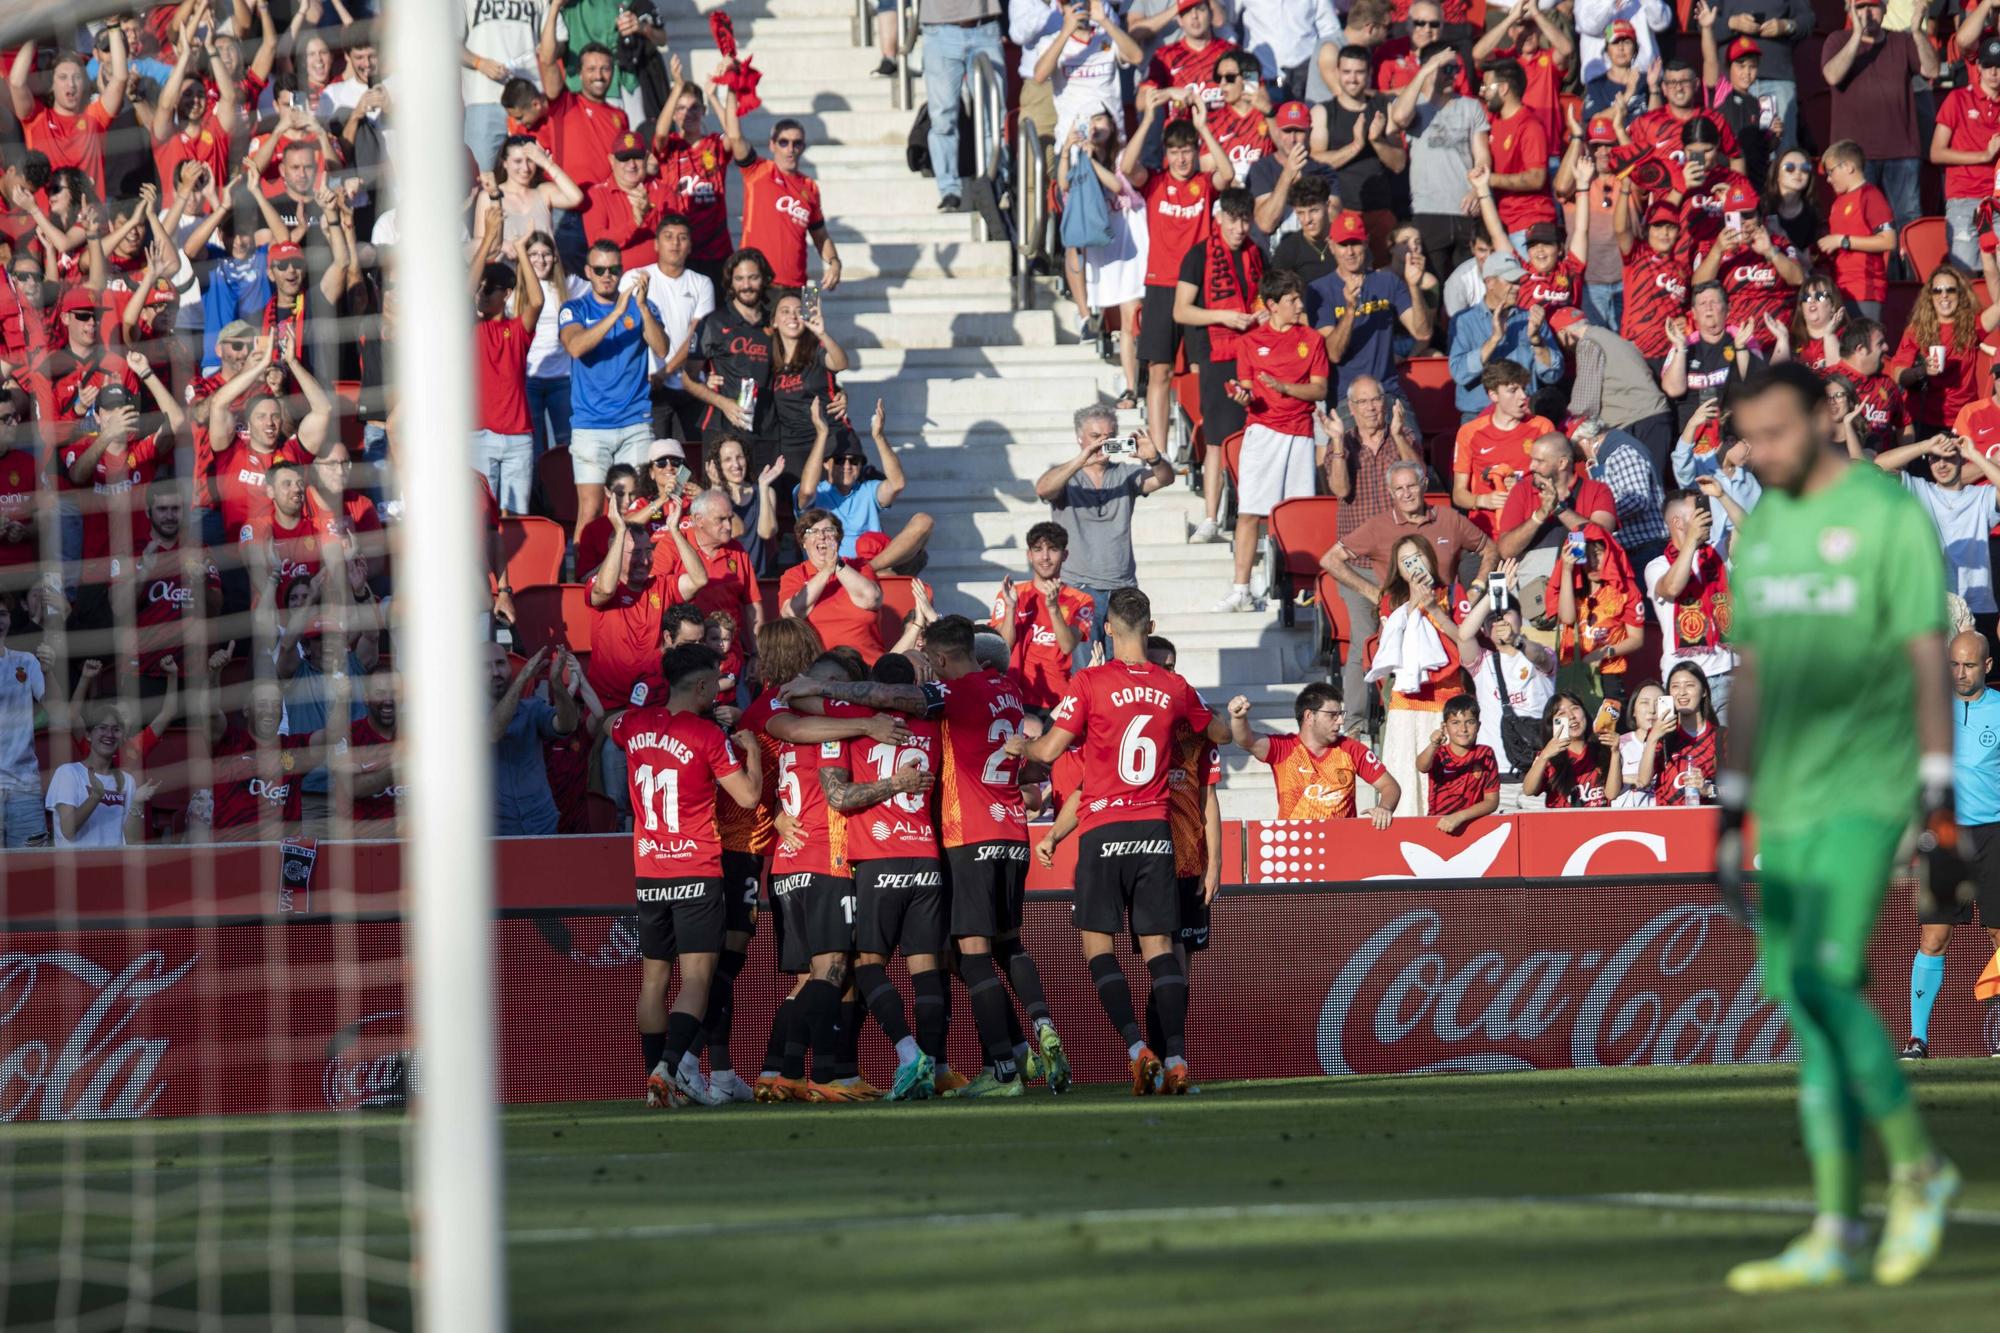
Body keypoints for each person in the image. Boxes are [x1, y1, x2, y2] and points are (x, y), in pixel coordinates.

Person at [1717, 362, 1961, 1290]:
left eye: (1779, 432)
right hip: (1789, 796)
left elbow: (1927, 658)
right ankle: (1838, 1227)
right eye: (1752, 437)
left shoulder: (1890, 514)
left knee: (1821, 981)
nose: (1765, 452)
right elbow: (1751, 676)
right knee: (1808, 1008)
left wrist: (1937, 799)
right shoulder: (1765, 527)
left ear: (1823, 418)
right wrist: (1733, 807)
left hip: (1871, 786)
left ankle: (1921, 1167)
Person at [792, 614, 1073, 1097]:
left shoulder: (940, 701)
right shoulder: (1002, 687)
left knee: (963, 955)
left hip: (946, 843)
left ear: (942, 659)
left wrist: (825, 688)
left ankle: (995, 1068)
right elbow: (1030, 763)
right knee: (999, 946)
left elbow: (877, 712)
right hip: (994, 839)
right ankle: (1034, 1033)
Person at [1010, 586, 1230, 1095]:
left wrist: (1023, 744)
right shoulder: (1174, 686)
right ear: (1149, 628)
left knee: (1098, 947)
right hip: (1155, 830)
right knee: (1161, 951)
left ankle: (1136, 1048)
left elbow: (1048, 749)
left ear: (1107, 629)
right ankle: (1176, 1059)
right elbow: (1216, 734)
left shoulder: (1089, 681)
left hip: (1104, 827)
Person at [609, 642, 760, 1108]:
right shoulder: (707, 736)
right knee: (697, 978)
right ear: (699, 686)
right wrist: (751, 751)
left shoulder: (632, 726)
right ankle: (668, 1069)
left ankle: (655, 1081)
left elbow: (608, 724)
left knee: (653, 980)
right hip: (696, 867)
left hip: (650, 869)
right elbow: (750, 797)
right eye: (715, 682)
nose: (719, 689)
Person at [1324, 458, 1495, 737]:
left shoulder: (1448, 518)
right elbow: (1331, 559)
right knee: (1404, 707)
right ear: (1390, 493)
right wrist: (1373, 592)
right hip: (1403, 629)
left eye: (1411, 486)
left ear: (1424, 485)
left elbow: (1490, 549)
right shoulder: (1379, 526)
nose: (1405, 493)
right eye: (1398, 489)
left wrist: (1476, 585)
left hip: (1447, 626)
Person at [1904, 629, 2000, 1059]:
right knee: (1934, 938)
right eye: (1954, 665)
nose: (1960, 674)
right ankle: (1917, 1039)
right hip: (1943, 834)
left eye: (1969, 665)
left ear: (1988, 666)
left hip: (1994, 834)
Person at [1120, 90, 1234, 450]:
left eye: (1188, 150)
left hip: (1199, 288)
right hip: (1161, 286)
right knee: (1159, 370)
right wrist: (1149, 119)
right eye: (1175, 151)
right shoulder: (1155, 184)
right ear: (1166, 154)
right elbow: (1125, 168)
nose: (1182, 158)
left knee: (1202, 369)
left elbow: (1227, 173)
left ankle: (1201, 442)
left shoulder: (1203, 186)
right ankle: (1157, 447)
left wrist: (1204, 127)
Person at [1218, 269, 1330, 612]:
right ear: (1272, 305)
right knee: (1250, 511)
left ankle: (1299, 589)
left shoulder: (1311, 339)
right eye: (1292, 300)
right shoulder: (1249, 342)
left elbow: (1320, 388)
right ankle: (1242, 590)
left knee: (1296, 516)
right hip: (1262, 432)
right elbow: (1248, 391)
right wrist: (1242, 397)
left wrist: (1285, 388)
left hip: (1299, 435)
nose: (1299, 305)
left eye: (1299, 298)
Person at [1034, 407, 1175, 664]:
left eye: (1109, 436)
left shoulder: (1124, 473)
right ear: (1080, 438)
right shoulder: (1067, 475)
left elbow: (1165, 479)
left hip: (1123, 588)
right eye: (1095, 436)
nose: (1102, 442)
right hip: (1079, 586)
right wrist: (1082, 460)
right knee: (1085, 671)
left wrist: (1155, 459)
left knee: (1126, 668)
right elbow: (1043, 488)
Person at [560, 241, 668, 542]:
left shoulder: (641, 306)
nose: (607, 275)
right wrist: (616, 312)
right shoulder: (575, 308)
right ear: (587, 272)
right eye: (599, 270)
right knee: (592, 510)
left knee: (636, 508)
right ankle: (584, 582)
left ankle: (634, 575)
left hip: (635, 421)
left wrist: (642, 307)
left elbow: (662, 348)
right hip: (591, 425)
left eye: (614, 269)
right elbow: (575, 346)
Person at [1173, 186, 1264, 543]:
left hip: (1255, 354)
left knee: (1255, 440)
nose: (1240, 228)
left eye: (1245, 220)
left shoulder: (1257, 254)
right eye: (1233, 219)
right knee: (1216, 440)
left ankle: (1252, 516)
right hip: (1217, 355)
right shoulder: (1198, 255)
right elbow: (1181, 310)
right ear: (1219, 218)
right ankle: (1210, 517)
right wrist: (1225, 316)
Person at [1367, 534, 1469, 812]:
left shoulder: (1452, 593)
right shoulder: (1391, 602)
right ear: (1397, 569)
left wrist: (1434, 606)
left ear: (1430, 559)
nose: (1413, 565)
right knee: (1405, 773)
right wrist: (1413, 601)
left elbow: (1464, 639)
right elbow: (1391, 648)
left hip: (1447, 696)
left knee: (1446, 776)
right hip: (1407, 701)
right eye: (1405, 561)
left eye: (1418, 557)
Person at [1823, 0, 1933, 252]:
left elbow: (1931, 69)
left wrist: (1917, 32)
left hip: (1901, 152)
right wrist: (1856, 36)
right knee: (1857, 224)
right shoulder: (1837, 40)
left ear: (1885, 9)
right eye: (1860, 7)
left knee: (1907, 223)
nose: (1867, 13)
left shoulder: (1902, 41)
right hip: (1853, 158)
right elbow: (1832, 75)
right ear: (1850, 11)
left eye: (1872, 7)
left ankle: (1910, 288)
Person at [587, 491, 710, 712]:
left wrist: (674, 531)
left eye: (648, 551)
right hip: (610, 707)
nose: (644, 561)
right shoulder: (601, 584)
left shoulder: (660, 585)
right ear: (616, 553)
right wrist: (620, 530)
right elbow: (604, 590)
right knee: (609, 749)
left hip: (654, 703)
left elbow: (699, 579)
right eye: (635, 552)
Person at [1869, 436, 2000, 638]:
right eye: (1934, 458)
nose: (1941, 464)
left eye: (1948, 457)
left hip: (1978, 604)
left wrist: (1976, 455)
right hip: (1933, 604)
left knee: (1981, 669)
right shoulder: (1918, 488)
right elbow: (1878, 466)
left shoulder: (1981, 496)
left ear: (1962, 459)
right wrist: (1926, 445)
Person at [1230, 679, 1399, 824]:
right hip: (1296, 846)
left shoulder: (1351, 748)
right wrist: (1238, 718)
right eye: (1332, 715)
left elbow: (1390, 786)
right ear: (1309, 716)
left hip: (1345, 845)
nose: (1340, 721)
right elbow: (1246, 740)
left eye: (1341, 714)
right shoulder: (1284, 748)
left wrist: (1384, 808)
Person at [1389, 44, 1488, 290]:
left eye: (1454, 68)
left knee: (1469, 288)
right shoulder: (1415, 107)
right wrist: (1425, 72)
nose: (1450, 74)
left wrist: (1478, 190)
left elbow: (1483, 156)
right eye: (1443, 68)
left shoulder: (1471, 106)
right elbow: (1399, 117)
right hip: (1428, 211)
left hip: (1466, 209)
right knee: (1431, 285)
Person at [794, 398, 932, 574]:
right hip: (831, 571)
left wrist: (879, 436)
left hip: (873, 569)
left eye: (854, 461)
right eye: (839, 460)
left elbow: (897, 484)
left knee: (924, 521)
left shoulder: (867, 490)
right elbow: (806, 491)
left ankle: (867, 571)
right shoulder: (818, 493)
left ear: (861, 466)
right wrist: (822, 433)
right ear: (826, 463)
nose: (847, 466)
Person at [1309, 211, 1433, 405]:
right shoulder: (1319, 290)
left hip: (1388, 392)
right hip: (1346, 397)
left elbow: (1422, 333)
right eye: (1343, 244)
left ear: (1366, 242)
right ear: (1331, 245)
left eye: (1355, 243)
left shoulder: (1388, 282)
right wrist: (1350, 309)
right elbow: (1333, 354)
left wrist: (1414, 287)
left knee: (1410, 436)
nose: (1349, 252)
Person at [651, 57, 751, 286]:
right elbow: (659, 134)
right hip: (680, 250)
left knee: (717, 315)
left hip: (716, 251)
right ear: (674, 113)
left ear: (704, 110)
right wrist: (676, 87)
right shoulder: (671, 147)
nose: (688, 113)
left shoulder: (715, 144)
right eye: (681, 108)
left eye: (695, 107)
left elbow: (735, 136)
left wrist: (715, 96)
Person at [470, 233, 544, 517]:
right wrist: (488, 240)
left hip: (518, 438)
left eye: (489, 290)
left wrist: (522, 251)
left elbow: (537, 301)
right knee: (479, 515)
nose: (481, 294)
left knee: (516, 516)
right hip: (477, 435)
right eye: (480, 288)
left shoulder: (516, 329)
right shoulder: (470, 325)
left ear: (508, 293)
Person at [1646, 489, 1736, 719]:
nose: (1706, 517)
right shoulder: (1657, 565)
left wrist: (1723, 495)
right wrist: (1691, 542)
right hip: (1685, 679)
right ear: (1677, 522)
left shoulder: (1718, 551)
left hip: (1728, 671)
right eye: (1698, 513)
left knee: (1734, 752)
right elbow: (1672, 587)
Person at [628, 213, 716, 446]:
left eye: (682, 237)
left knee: (689, 456)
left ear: (690, 246)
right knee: (655, 456)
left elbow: (695, 337)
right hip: (648, 386)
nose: (675, 243)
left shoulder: (701, 283)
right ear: (656, 244)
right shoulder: (636, 278)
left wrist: (665, 372)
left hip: (690, 383)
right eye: (668, 237)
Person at [1494, 432, 1619, 596]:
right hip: (1533, 600)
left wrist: (1559, 509)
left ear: (1562, 463)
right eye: (1532, 459)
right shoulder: (1522, 490)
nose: (1531, 466)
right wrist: (1539, 515)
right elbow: (1505, 550)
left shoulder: (1596, 490)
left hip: (1583, 595)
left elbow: (1602, 536)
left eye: (1539, 461)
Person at [1308, 45, 1406, 252]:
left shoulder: (1383, 107)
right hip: (1340, 211)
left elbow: (1399, 163)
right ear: (1337, 73)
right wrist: (1356, 146)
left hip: (1379, 210)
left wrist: (1377, 141)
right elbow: (1315, 162)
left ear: (1370, 73)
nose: (1352, 79)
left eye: (1359, 72)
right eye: (1346, 72)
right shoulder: (1323, 112)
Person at [7, 33, 126, 200]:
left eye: (77, 77)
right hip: (47, 221)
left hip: (90, 222)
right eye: (62, 77)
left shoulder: (95, 117)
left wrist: (114, 27)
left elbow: (120, 79)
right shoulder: (37, 118)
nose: (71, 84)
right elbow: (16, 83)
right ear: (51, 85)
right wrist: (33, 33)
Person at [992, 521, 1094, 714]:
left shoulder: (1081, 600)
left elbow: (1067, 645)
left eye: (1053, 549)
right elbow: (1002, 647)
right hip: (1014, 697)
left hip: (1059, 700)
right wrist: (1012, 608)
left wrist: (1053, 608)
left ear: (1065, 555)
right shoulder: (1012, 595)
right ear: (1029, 555)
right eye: (1038, 550)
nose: (1045, 557)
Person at [1446, 252, 1562, 420]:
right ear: (1489, 282)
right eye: (1511, 282)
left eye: (1518, 282)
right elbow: (1459, 373)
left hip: (1524, 413)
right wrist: (1494, 339)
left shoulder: (1531, 319)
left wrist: (1537, 341)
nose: (1516, 288)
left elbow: (1553, 375)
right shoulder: (1464, 321)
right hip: (1479, 416)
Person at [1891, 269, 2000, 439]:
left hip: (1962, 418)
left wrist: (1989, 255)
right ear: (1930, 296)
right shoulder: (1916, 330)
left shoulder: (1972, 326)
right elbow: (1899, 375)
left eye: (1950, 290)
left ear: (1960, 294)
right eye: (1937, 290)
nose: (1944, 295)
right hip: (1923, 417)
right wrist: (1922, 370)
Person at [1451, 360, 1557, 533]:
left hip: (1532, 527)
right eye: (1513, 390)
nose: (1523, 396)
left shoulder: (1542, 427)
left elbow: (1557, 481)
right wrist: (1483, 501)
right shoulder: (1469, 433)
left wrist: (1523, 487)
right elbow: (1458, 494)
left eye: (1523, 388)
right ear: (1493, 395)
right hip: (1486, 533)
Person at [920, 0, 1005, 212]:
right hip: (939, 29)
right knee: (942, 118)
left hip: (984, 27)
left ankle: (995, 184)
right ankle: (949, 189)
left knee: (994, 117)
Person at [1549, 522, 1647, 705]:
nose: (1593, 563)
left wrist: (1603, 653)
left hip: (1609, 674)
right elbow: (1568, 618)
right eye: (1585, 555)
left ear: (1609, 552)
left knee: (1606, 730)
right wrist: (1568, 570)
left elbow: (1636, 638)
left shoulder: (1625, 589)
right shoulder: (1572, 588)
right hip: (1573, 674)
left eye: (1597, 554)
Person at [739, 119, 840, 292]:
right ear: (772, 145)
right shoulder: (758, 170)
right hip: (757, 285)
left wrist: (835, 262)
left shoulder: (810, 187)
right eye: (784, 142)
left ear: (803, 147)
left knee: (814, 318)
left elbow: (821, 236)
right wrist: (726, 96)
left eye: (797, 143)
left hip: (798, 286)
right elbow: (734, 137)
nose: (790, 149)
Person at [779, 508, 886, 665]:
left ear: (838, 538)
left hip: (868, 667)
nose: (821, 536)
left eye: (828, 530)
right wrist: (827, 571)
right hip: (819, 671)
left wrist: (837, 566)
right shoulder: (794, 575)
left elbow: (872, 599)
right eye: (813, 531)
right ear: (803, 542)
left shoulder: (860, 566)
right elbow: (792, 613)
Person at [47, 700, 155, 848]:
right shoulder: (67, 773)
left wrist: (136, 802)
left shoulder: (127, 780)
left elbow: (131, 840)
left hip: (114, 867)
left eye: (116, 729)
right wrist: (94, 798)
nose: (109, 734)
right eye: (102, 728)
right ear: (88, 735)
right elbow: (67, 831)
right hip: (77, 867)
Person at [1933, 38, 2000, 272]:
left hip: (1998, 200)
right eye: (1989, 65)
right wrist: (1984, 156)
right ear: (1978, 66)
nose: (1994, 72)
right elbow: (1936, 153)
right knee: (1965, 276)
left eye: (1999, 66)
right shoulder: (1958, 99)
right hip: (1964, 198)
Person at [769, 291, 850, 480]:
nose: (793, 316)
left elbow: (841, 363)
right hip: (792, 445)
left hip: (829, 437)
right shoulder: (768, 357)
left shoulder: (816, 350)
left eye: (799, 311)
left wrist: (822, 333)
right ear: (774, 321)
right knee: (802, 501)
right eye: (785, 311)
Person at [1577, 417, 1667, 571]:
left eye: (1576, 448)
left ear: (1585, 440)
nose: (1578, 457)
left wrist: (1602, 515)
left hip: (1646, 548)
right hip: (1633, 549)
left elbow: (1637, 499)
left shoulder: (1622, 451)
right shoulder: (1607, 456)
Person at [1818, 140, 1896, 320]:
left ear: (1848, 167)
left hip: (1864, 287)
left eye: (1831, 172)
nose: (1828, 179)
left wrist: (1842, 240)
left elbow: (1889, 240)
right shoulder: (1837, 202)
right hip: (1840, 288)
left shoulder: (1870, 195)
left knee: (1863, 344)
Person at [1632, 660, 1724, 804]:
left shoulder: (1721, 737)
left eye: (1689, 685)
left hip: (1706, 821)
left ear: (1704, 691)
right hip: (1667, 821)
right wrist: (1653, 738)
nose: (1682, 692)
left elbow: (1738, 790)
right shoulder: (1660, 735)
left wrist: (1707, 789)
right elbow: (1643, 781)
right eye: (1675, 687)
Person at [1522, 690, 1621, 807]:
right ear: (1552, 724)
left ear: (1584, 712)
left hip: (1599, 822)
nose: (1571, 716)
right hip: (1562, 823)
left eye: (1575, 708)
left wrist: (1615, 753)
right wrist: (1544, 756)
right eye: (1561, 713)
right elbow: (1528, 790)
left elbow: (1611, 794)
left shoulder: (1603, 750)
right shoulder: (1547, 757)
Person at [1417, 695, 1500, 833]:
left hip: (1473, 826)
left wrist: (1459, 817)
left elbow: (1492, 801)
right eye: (1455, 722)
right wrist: (1433, 745)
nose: (1463, 729)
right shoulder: (1438, 753)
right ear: (1444, 727)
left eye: (1469, 722)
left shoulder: (1485, 754)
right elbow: (1421, 766)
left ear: (1478, 726)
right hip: (1439, 825)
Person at [0, 594, 46, 845]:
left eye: (3, 614)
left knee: (32, 875)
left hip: (24, 789)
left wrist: (49, 670)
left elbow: (55, 709)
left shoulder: (26, 662)